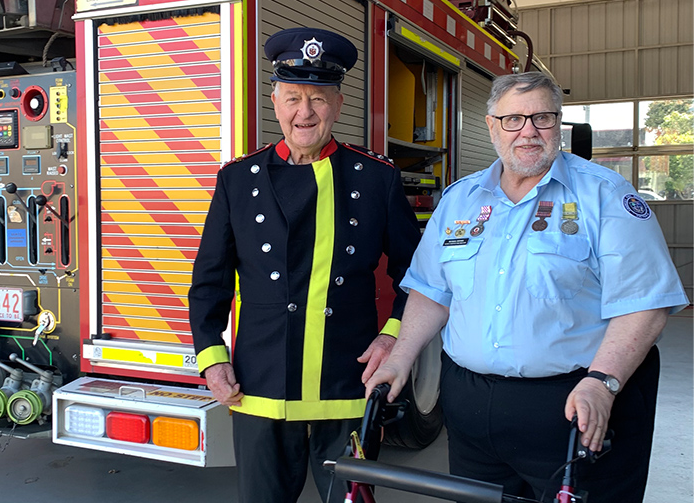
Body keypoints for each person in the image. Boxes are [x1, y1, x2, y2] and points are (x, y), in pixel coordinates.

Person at [365, 71, 688, 503]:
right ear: (492, 126)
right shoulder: (460, 200)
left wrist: (602, 383)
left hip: (574, 408)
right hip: (472, 412)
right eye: (514, 119)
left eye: (542, 118)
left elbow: (645, 304)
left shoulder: (605, 195)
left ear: (559, 124)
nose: (529, 132)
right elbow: (430, 290)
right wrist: (401, 356)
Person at [188, 27, 420, 503]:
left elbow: (415, 275)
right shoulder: (237, 179)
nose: (305, 112)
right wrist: (212, 359)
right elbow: (208, 282)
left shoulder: (377, 178)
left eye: (318, 98)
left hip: (348, 383)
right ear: (275, 101)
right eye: (293, 97)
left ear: (338, 103)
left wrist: (393, 335)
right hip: (259, 386)